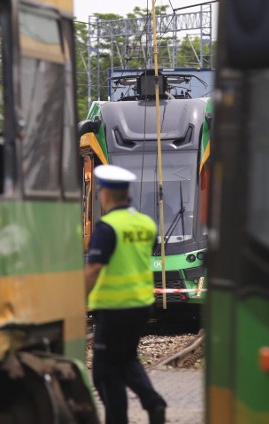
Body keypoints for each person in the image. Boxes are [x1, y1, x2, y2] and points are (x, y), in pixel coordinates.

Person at [86, 164, 167, 424]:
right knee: (126, 360)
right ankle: (153, 403)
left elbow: (95, 268)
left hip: (113, 308)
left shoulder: (107, 227)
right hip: (141, 305)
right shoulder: (147, 225)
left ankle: (119, 419)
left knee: (104, 372)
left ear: (106, 195)